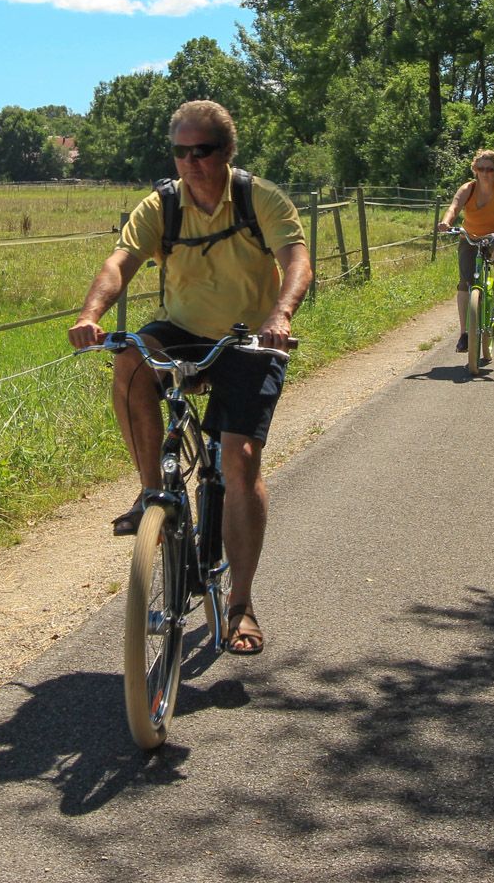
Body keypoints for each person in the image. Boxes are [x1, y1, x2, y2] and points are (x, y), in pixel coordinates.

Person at [68, 100, 310, 656]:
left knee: (240, 463)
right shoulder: (163, 206)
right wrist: (91, 315)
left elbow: (296, 260)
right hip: (183, 328)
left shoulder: (260, 199)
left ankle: (242, 602)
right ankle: (153, 490)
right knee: (130, 357)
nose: (190, 162)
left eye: (202, 151)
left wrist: (281, 315)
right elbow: (120, 262)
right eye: (181, 151)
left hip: (251, 337)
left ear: (226, 152)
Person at [437, 149, 494, 353]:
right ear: (475, 170)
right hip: (470, 237)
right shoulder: (468, 188)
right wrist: (446, 222)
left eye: (490, 169)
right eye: (481, 168)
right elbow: (454, 206)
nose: (485, 173)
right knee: (464, 284)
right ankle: (464, 334)